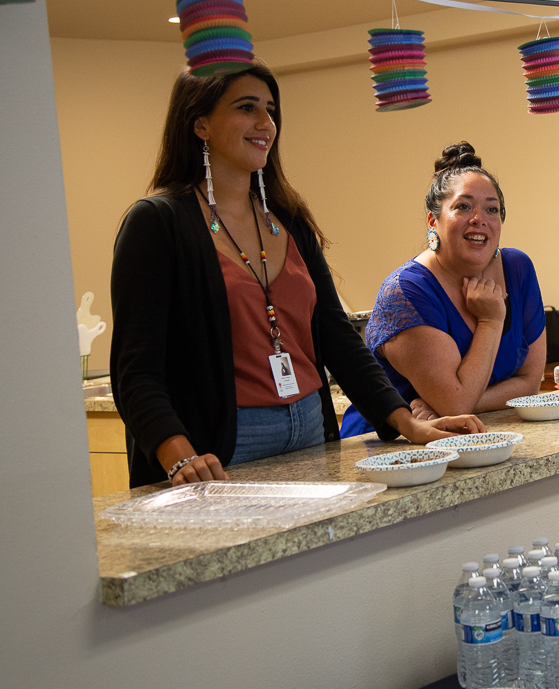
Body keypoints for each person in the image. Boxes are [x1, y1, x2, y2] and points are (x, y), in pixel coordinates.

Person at [111, 63, 483, 488]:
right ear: (200, 124)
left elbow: (336, 337)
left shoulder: (288, 220)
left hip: (311, 430)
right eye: (246, 107)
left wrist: (405, 422)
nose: (265, 123)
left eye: (270, 110)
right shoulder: (158, 223)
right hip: (221, 447)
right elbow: (135, 371)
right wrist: (179, 456)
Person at [346, 142, 546, 434]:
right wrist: (491, 321)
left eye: (492, 209)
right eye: (463, 207)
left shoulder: (517, 268)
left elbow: (530, 382)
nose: (480, 219)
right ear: (433, 221)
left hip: (472, 433)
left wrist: (459, 406)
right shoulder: (406, 291)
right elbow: (456, 402)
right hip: (389, 448)